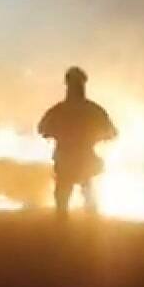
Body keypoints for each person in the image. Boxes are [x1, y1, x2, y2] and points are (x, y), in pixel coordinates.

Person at [38, 67, 117, 216]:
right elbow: (111, 133)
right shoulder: (93, 110)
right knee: (82, 194)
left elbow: (43, 130)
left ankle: (76, 228)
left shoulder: (59, 110)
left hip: (70, 158)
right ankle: (86, 229)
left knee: (71, 195)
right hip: (81, 158)